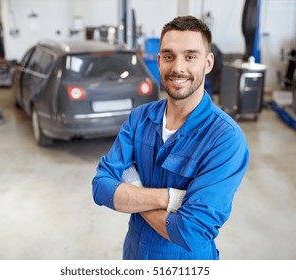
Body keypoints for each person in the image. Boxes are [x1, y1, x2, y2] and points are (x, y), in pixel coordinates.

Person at [92, 15, 249, 260]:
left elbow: (191, 232)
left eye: (190, 56)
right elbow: (101, 187)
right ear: (159, 61)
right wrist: (172, 198)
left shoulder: (225, 139)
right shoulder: (140, 118)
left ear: (208, 63)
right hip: (134, 255)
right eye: (169, 56)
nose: (178, 68)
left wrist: (132, 187)